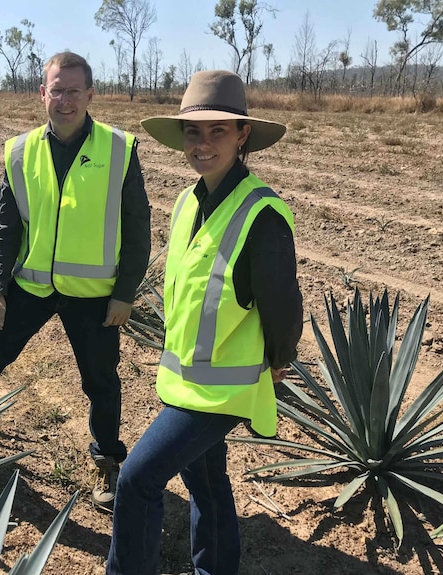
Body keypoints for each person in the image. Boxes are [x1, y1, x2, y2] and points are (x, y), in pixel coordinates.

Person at [105, 70, 303, 575]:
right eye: (194, 131)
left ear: (243, 135)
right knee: (207, 484)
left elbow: (283, 306)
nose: (203, 143)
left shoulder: (262, 213)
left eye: (218, 131)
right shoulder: (188, 201)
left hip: (224, 389)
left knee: (137, 480)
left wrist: (280, 361)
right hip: (185, 380)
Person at [0, 51, 151, 512]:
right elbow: (6, 229)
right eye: (56, 90)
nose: (64, 100)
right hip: (31, 287)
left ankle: (105, 461)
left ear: (90, 94)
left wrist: (125, 293)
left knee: (101, 382)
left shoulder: (119, 149)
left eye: (73, 91)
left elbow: (138, 227)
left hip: (94, 295)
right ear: (43, 93)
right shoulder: (20, 152)